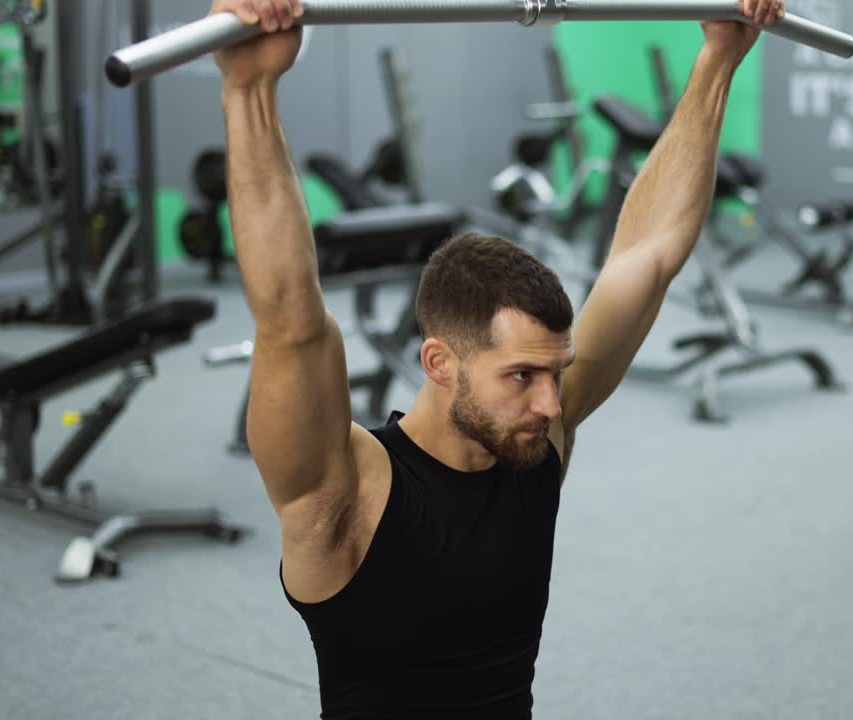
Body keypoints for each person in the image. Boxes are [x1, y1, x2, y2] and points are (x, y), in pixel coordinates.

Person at [213, 0, 784, 715]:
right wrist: (249, 90)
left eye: (555, 372)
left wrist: (719, 58)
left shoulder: (534, 443)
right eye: (522, 376)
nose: (552, 403)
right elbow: (290, 321)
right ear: (438, 362)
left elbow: (649, 253)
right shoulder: (346, 494)